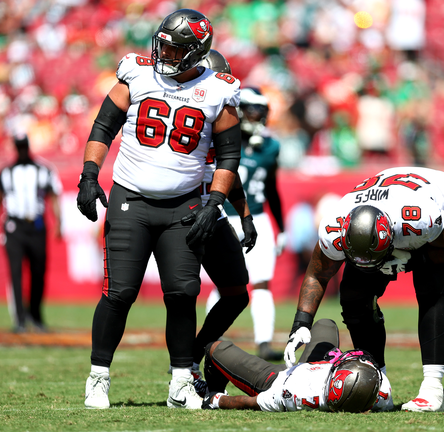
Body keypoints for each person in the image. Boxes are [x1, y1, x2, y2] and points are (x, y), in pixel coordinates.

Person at [75, 9, 242, 410]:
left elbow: (229, 156)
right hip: (130, 199)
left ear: (196, 52)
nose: (163, 53)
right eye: (162, 44)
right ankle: (98, 377)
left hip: (183, 205)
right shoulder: (137, 72)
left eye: (174, 48)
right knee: (119, 292)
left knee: (183, 293)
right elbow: (103, 126)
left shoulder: (218, 90)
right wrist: (89, 174)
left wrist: (215, 202)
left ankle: (181, 382)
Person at [283, 167, 444, 413]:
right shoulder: (334, 227)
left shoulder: (419, 218)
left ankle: (432, 389)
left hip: (437, 197)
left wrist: (416, 260)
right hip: (384, 211)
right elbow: (317, 274)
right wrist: (301, 323)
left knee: (430, 288)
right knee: (354, 298)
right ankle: (379, 384)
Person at [175, 49, 257, 385]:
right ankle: (182, 370)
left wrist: (245, 215)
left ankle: (192, 357)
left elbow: (227, 167)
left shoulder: (221, 114)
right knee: (181, 293)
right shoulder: (183, 111)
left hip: (214, 210)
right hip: (181, 210)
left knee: (237, 293)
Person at [206, 86, 287, 360]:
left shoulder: (270, 146)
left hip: (258, 218)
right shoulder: (222, 138)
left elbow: (272, 189)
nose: (257, 116)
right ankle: (210, 340)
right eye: (253, 110)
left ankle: (264, 343)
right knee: (223, 284)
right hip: (224, 215)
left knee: (262, 282)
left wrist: (282, 227)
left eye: (261, 111)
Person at [200, 318, 393, 412]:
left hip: (279, 379)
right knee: (326, 324)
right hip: (312, 368)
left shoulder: (297, 393)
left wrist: (217, 400)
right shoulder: (380, 389)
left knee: (216, 348)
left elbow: (251, 402)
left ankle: (211, 390)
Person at [0, 134, 63, 333]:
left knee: (38, 272)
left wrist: (59, 222)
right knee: (15, 272)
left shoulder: (44, 170)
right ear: (16, 149)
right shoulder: (6, 172)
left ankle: (35, 315)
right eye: (19, 147)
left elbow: (53, 197)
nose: (23, 151)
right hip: (14, 227)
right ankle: (19, 319)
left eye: (24, 146)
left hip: (37, 226)